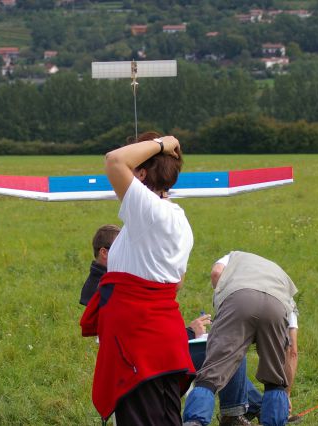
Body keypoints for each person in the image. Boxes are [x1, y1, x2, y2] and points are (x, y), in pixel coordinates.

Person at [80, 225, 256, 426]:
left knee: (223, 351)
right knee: (225, 350)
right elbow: (141, 331)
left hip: (148, 353)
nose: (129, 254)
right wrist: (191, 332)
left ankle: (242, 410)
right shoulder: (111, 286)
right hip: (145, 361)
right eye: (123, 249)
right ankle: (213, 418)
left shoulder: (115, 281)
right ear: (104, 253)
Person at [80, 132, 195, 425]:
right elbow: (176, 282)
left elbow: (114, 160)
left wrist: (162, 143)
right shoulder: (174, 217)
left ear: (142, 172)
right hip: (155, 342)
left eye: (135, 168)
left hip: (141, 346)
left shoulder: (150, 213)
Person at [183, 251, 299, 426]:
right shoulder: (280, 276)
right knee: (275, 380)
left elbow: (216, 273)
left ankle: (195, 421)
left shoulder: (234, 256)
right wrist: (286, 393)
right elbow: (292, 351)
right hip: (276, 306)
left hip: (238, 300)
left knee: (211, 375)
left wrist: (222, 300)